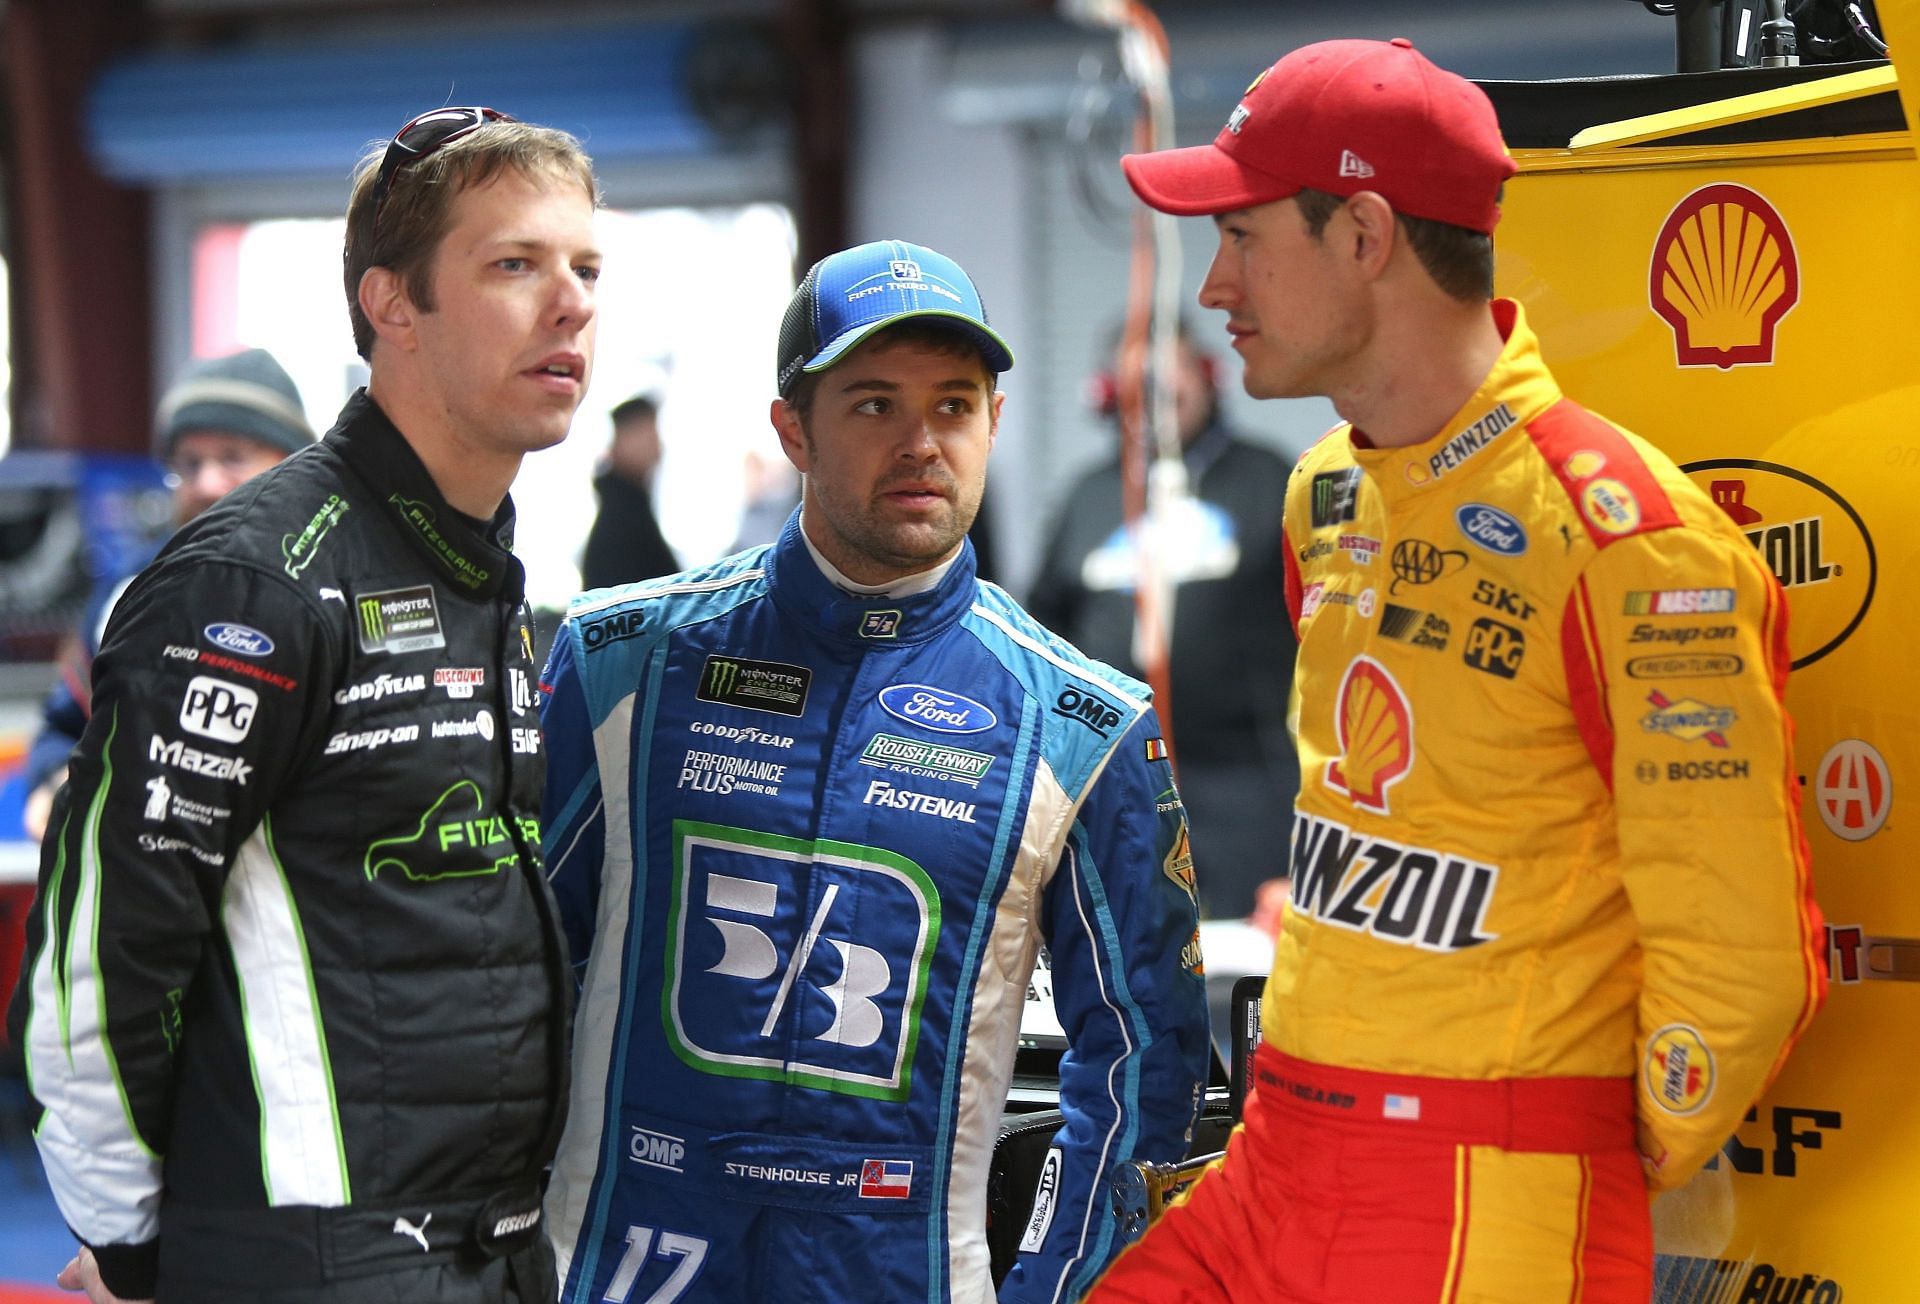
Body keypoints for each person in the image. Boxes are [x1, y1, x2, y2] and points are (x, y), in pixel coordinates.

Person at [1089, 38, 1826, 1303]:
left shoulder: (1626, 537)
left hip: (1488, 1183)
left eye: (1245, 236)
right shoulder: (1325, 493)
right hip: (1278, 1147)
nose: (1213, 285)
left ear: (1365, 234)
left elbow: (1745, 963)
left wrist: (1564, 1152)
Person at [538, 239, 1210, 1304]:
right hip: (619, 1263)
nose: (921, 444)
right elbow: (509, 986)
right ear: (791, 428)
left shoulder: (1087, 724)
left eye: (953, 405)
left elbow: (1146, 1067)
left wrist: (1055, 1283)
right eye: (872, 406)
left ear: (994, 420)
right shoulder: (619, 661)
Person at [8, 105, 602, 1303]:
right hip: (315, 1256)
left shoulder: (479, 566)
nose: (573, 302)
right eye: (514, 264)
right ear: (393, 305)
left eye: (585, 266)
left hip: (496, 1245)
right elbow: (101, 954)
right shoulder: (256, 578)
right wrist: (129, 1245)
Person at [1028, 321, 1298, 919]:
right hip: (1113, 794)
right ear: (1105, 394)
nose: (1153, 395)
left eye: (1170, 378)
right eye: (1136, 384)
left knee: (1240, 984)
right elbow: (1042, 633)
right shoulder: (1088, 497)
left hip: (1244, 793)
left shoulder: (1268, 479)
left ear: (1208, 378)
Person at [18, 347, 315, 842]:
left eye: (232, 458)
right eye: (189, 464)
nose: (206, 484)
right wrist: (52, 785)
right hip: (145, 895)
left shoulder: (341, 589)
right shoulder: (128, 594)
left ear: (297, 464)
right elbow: (66, 726)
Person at [580, 393, 678, 590]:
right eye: (649, 434)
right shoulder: (621, 517)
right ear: (622, 439)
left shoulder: (633, 504)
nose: (657, 447)